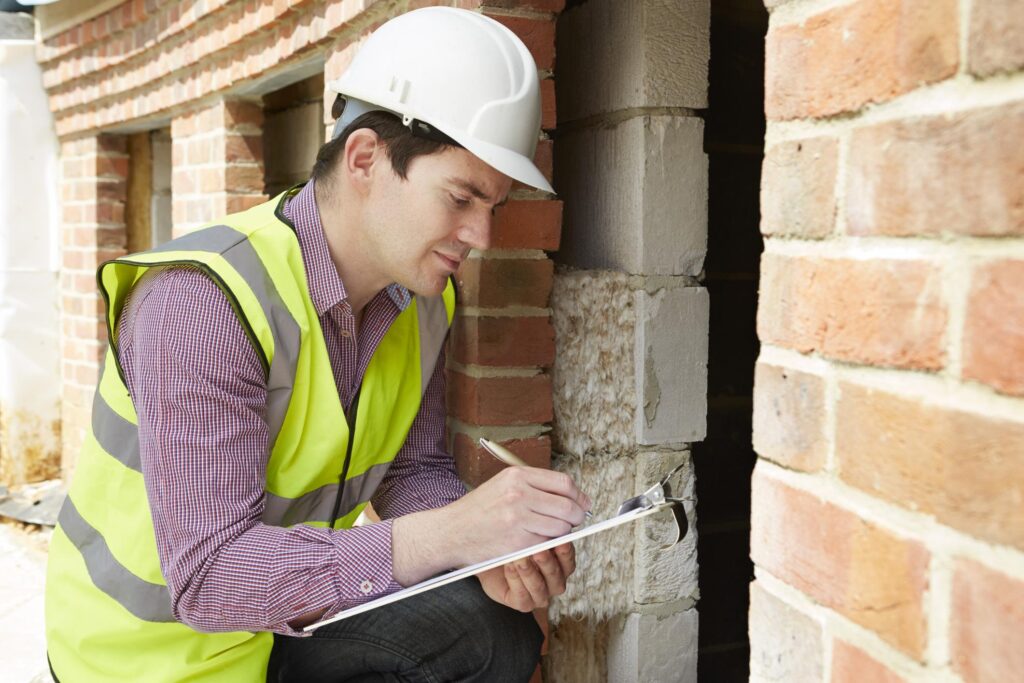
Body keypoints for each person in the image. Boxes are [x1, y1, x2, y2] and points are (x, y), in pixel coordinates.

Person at [44, 7, 590, 682]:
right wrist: (447, 536)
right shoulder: (202, 304)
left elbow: (410, 471)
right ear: (365, 157)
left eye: (493, 207)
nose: (481, 235)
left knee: (491, 627)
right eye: (461, 197)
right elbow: (211, 578)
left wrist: (484, 553)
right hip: (140, 661)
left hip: (275, 631)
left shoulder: (422, 302)